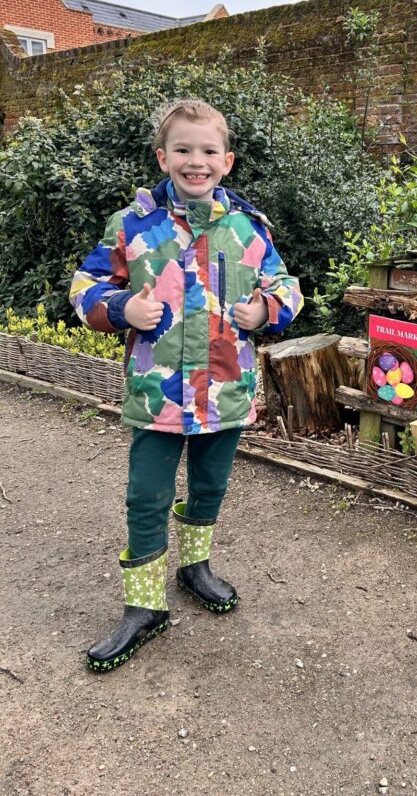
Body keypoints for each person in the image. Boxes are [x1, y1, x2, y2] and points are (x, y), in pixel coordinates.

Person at [69, 99, 304, 672]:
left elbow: (288, 286)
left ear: (226, 161)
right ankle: (144, 606)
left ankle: (194, 568)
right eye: (182, 150)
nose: (194, 161)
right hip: (158, 394)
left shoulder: (250, 230)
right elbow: (84, 286)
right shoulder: (133, 225)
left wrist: (267, 309)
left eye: (207, 152)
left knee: (209, 486)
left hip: (225, 391)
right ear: (163, 156)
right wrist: (122, 306)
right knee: (145, 496)